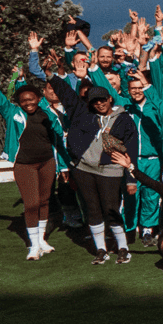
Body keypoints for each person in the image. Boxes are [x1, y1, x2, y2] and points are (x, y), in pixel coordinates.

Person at [0, 50, 66, 260]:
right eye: (23, 100)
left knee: (44, 201)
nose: (28, 103)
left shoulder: (47, 113)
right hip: (24, 164)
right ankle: (33, 245)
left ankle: (42, 240)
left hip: (47, 162)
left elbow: (59, 137)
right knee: (31, 204)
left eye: (31, 99)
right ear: (19, 102)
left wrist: (63, 164)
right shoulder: (12, 112)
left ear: (38, 99)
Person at [47, 74, 140, 264]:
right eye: (95, 101)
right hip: (84, 169)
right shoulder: (83, 114)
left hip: (111, 169)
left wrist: (131, 178)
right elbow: (67, 94)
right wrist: (51, 76)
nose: (99, 104)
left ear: (110, 99)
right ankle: (101, 249)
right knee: (92, 209)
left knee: (111, 208)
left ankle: (123, 248)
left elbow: (132, 149)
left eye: (102, 100)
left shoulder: (124, 119)